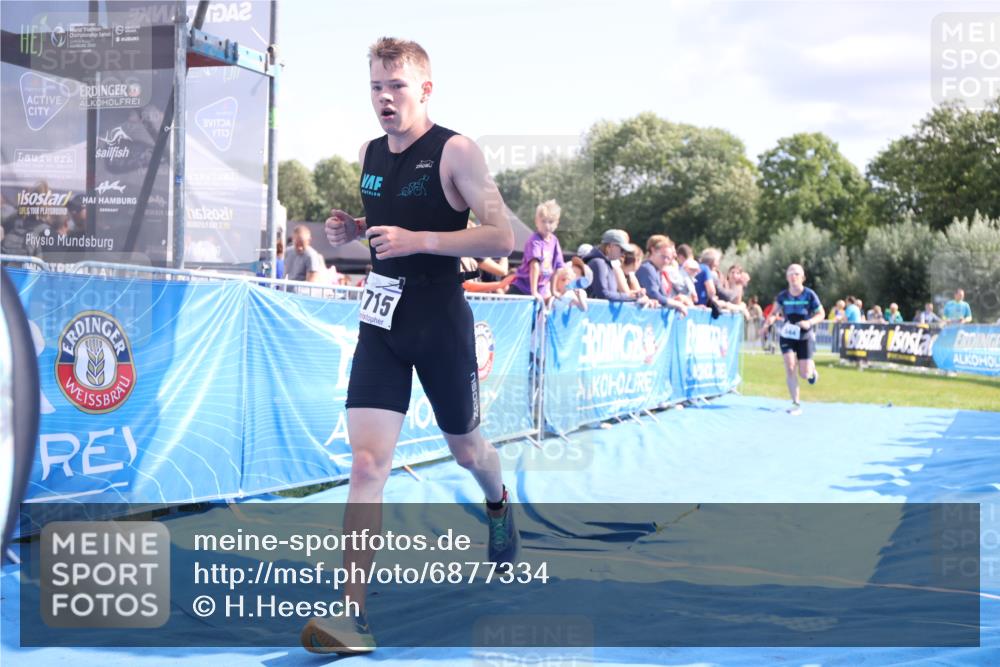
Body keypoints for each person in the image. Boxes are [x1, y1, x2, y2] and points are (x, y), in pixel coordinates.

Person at [305, 37, 517, 655]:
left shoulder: (457, 151)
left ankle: (499, 506)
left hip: (439, 323)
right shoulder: (370, 152)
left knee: (468, 451)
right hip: (381, 323)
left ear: (425, 89)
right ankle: (352, 616)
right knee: (367, 465)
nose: (383, 98)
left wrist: (420, 240)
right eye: (375, 86)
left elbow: (503, 235)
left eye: (396, 86)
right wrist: (346, 229)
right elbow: (380, 227)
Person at [761, 264, 825, 416]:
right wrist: (767, 323)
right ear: (787, 278)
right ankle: (796, 404)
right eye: (790, 273)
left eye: (796, 274)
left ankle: (812, 371)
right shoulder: (783, 296)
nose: (793, 276)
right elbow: (774, 312)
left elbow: (821, 314)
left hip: (805, 334)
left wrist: (809, 323)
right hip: (788, 334)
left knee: (804, 374)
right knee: (790, 366)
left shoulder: (809, 295)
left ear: (802, 277)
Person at [508, 199, 564, 305]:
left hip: (540, 291)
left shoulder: (554, 241)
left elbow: (557, 267)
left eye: (551, 222)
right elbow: (534, 266)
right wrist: (534, 291)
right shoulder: (535, 241)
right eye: (543, 221)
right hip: (522, 289)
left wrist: (553, 290)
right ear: (536, 221)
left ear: (557, 223)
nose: (547, 225)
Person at [583, 229, 649, 304]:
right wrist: (630, 296)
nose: (623, 254)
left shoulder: (604, 263)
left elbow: (609, 293)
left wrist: (632, 295)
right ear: (610, 247)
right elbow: (603, 294)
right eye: (622, 250)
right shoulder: (598, 263)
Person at [636, 235, 688, 314]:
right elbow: (653, 294)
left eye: (668, 258)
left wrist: (676, 300)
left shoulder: (657, 271)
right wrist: (677, 304)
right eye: (663, 257)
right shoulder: (647, 269)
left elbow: (662, 295)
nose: (666, 261)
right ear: (653, 251)